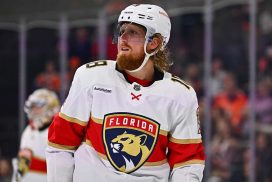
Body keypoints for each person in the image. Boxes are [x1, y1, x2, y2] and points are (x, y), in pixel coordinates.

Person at [46, 4, 205, 182]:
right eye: (121, 31)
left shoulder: (180, 95)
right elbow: (60, 144)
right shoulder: (91, 77)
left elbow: (188, 164)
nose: (123, 38)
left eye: (133, 32)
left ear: (154, 43)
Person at [12, 89, 60, 182]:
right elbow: (22, 166)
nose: (34, 110)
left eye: (38, 106)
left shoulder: (58, 132)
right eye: (33, 107)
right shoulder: (28, 131)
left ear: (51, 108)